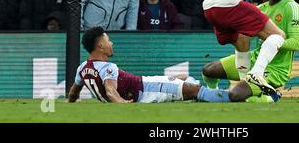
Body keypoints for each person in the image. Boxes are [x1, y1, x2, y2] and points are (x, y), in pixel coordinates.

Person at [202, 0, 299, 102]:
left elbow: (296, 43)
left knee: (236, 94)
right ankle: (212, 94)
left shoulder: (292, 8)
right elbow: (241, 34)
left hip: (275, 70)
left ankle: (271, 96)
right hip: (253, 60)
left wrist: (272, 43)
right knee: (208, 70)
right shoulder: (260, 9)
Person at [68, 26, 231, 103]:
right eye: (108, 40)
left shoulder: (82, 68)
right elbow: (111, 91)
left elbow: (74, 92)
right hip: (146, 90)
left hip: (145, 83)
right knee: (193, 89)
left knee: (183, 78)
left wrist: (70, 103)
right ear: (101, 46)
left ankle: (206, 96)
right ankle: (231, 97)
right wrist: (122, 104)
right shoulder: (108, 68)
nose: (112, 43)